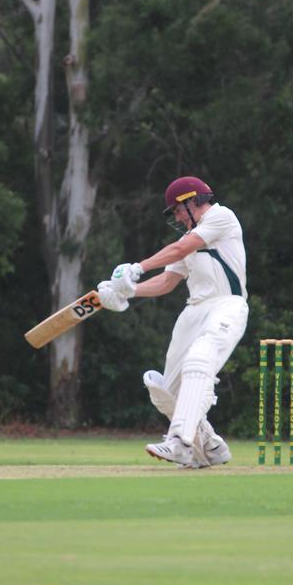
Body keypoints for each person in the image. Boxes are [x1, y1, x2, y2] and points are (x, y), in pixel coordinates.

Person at [97, 176, 248, 468]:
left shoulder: (221, 217)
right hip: (193, 312)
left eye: (178, 209)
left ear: (195, 200)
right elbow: (167, 281)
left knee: (199, 361)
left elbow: (179, 250)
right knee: (166, 389)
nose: (177, 216)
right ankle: (210, 447)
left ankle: (179, 442)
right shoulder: (186, 239)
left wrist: (136, 268)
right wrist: (126, 292)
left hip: (226, 305)